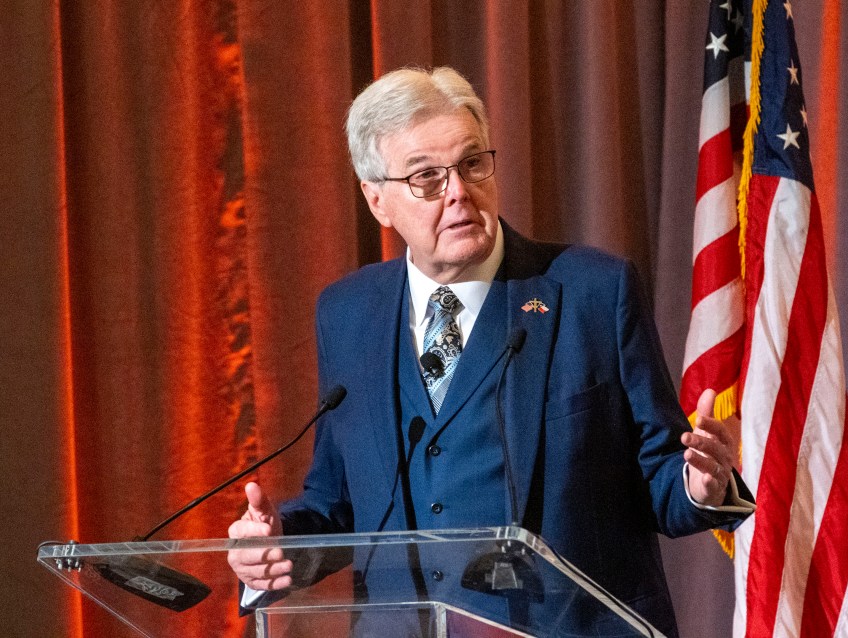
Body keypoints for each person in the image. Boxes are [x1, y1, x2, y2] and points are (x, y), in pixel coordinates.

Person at [227, 66, 754, 637]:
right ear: (376, 200)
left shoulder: (592, 292)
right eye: (426, 178)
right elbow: (339, 501)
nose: (458, 192)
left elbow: (659, 478)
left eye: (472, 164)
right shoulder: (349, 312)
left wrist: (702, 485)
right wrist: (276, 547)